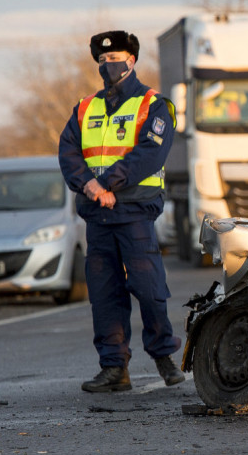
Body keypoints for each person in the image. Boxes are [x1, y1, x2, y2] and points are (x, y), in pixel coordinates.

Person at [58, 30, 185, 393]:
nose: (108, 65)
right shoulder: (85, 108)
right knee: (105, 294)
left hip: (134, 213)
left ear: (132, 61)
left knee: (148, 288)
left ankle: (163, 357)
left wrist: (110, 184)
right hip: (97, 215)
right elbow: (68, 153)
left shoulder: (154, 105)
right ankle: (114, 369)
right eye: (102, 61)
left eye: (115, 59)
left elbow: (150, 153)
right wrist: (92, 186)